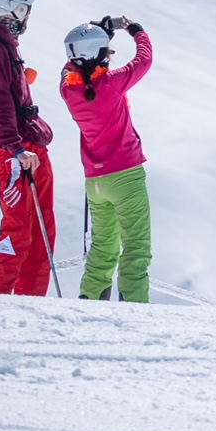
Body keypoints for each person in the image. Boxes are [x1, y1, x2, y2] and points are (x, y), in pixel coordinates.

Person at [59, 15, 155, 302]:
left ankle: (90, 301)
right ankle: (134, 306)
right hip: (125, 177)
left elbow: (69, 67)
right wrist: (136, 31)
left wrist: (97, 37)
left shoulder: (69, 91)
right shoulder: (112, 84)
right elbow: (144, 60)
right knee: (136, 247)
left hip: (95, 183)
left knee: (103, 247)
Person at [0, 0, 58, 296]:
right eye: (27, 10)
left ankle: (29, 309)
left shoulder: (5, 47)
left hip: (30, 148)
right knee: (18, 232)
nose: (28, 17)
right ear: (17, 9)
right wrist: (16, 149)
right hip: (15, 153)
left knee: (40, 236)